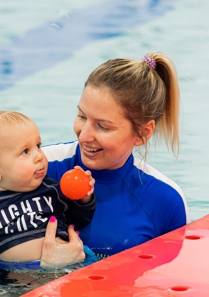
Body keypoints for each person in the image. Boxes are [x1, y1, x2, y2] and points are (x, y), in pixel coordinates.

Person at [42, 52, 190, 261]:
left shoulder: (165, 200)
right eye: (82, 116)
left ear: (143, 133)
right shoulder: (40, 168)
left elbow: (168, 285)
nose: (83, 135)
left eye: (103, 126)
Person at [0, 111, 98, 270]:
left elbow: (78, 221)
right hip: (12, 280)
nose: (39, 156)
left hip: (66, 267)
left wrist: (84, 198)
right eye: (25, 151)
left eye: (38, 146)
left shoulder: (51, 190)